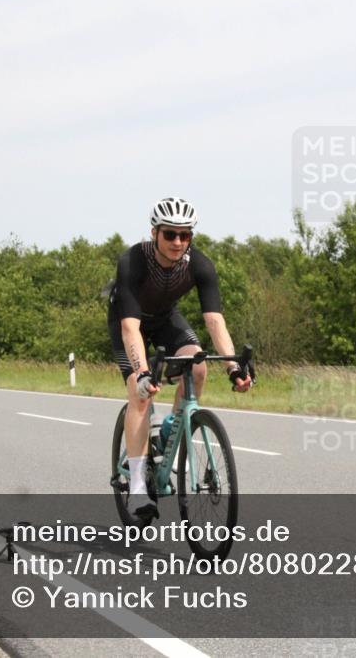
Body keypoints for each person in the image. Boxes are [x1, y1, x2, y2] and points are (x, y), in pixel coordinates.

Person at [108, 197, 252, 518]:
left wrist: (233, 366)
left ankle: (172, 429)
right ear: (154, 233)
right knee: (139, 392)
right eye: (170, 234)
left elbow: (215, 321)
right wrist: (144, 373)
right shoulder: (133, 261)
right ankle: (136, 489)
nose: (177, 242)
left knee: (198, 366)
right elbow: (131, 328)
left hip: (165, 320)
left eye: (184, 235)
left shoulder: (199, 264)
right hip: (128, 323)